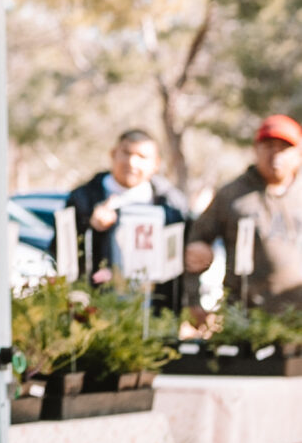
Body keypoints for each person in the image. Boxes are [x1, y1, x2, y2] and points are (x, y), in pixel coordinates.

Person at [185, 114, 302, 310]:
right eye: (268, 146)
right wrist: (195, 302)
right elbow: (196, 246)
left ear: (298, 154)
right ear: (255, 150)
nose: (276, 155)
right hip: (245, 315)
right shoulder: (232, 194)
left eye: (283, 148)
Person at [68, 128, 187, 310]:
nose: (132, 162)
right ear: (113, 154)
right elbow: (61, 252)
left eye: (142, 156)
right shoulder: (83, 198)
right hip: (98, 312)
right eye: (126, 153)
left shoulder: (172, 204)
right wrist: (90, 228)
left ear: (156, 164)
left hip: (155, 311)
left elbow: (183, 255)